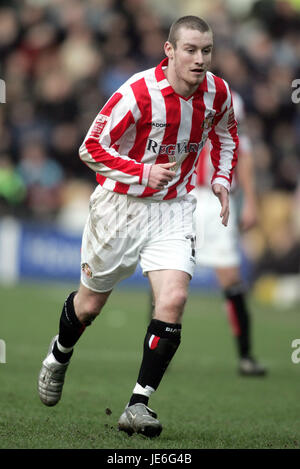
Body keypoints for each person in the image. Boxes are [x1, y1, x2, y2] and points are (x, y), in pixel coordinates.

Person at [38, 15, 239, 438]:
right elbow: (90, 147)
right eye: (190, 49)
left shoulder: (219, 92)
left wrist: (221, 180)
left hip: (173, 209)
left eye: (206, 50)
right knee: (89, 307)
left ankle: (138, 403)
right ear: (169, 51)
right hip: (119, 208)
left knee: (174, 298)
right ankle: (60, 353)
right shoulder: (137, 92)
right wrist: (140, 173)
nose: (200, 59)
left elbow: (226, 134)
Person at [192, 91, 267, 376]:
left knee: (230, 278)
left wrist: (250, 199)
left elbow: (243, 152)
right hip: (180, 196)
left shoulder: (231, 99)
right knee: (167, 274)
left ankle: (246, 356)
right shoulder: (169, 91)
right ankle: (157, 351)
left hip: (216, 201)